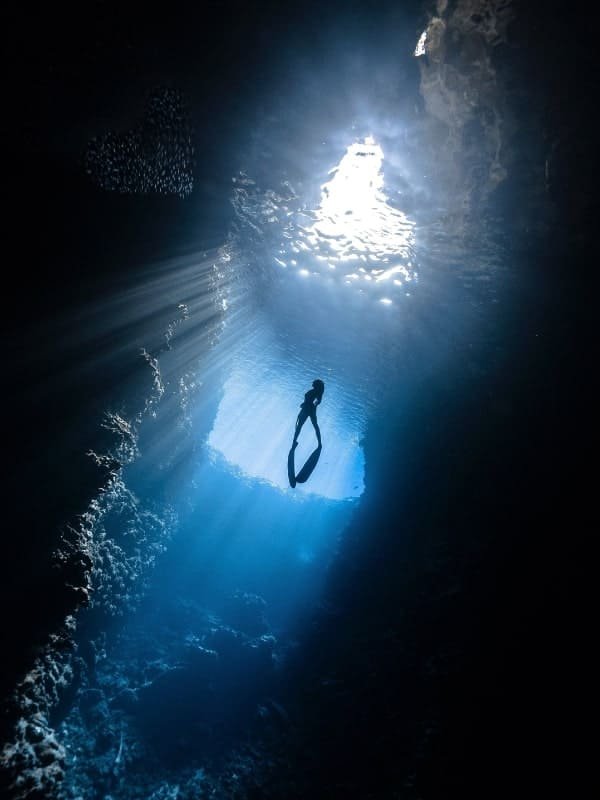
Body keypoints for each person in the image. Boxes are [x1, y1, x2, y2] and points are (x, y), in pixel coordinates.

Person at [293, 379, 324, 447]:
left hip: (306, 410)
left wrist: (307, 404)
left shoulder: (315, 392)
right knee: (315, 426)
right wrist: (307, 404)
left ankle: (294, 441)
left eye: (314, 383)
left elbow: (316, 402)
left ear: (316, 385)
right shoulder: (317, 392)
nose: (312, 383)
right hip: (310, 410)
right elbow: (316, 402)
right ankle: (319, 443)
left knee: (300, 426)